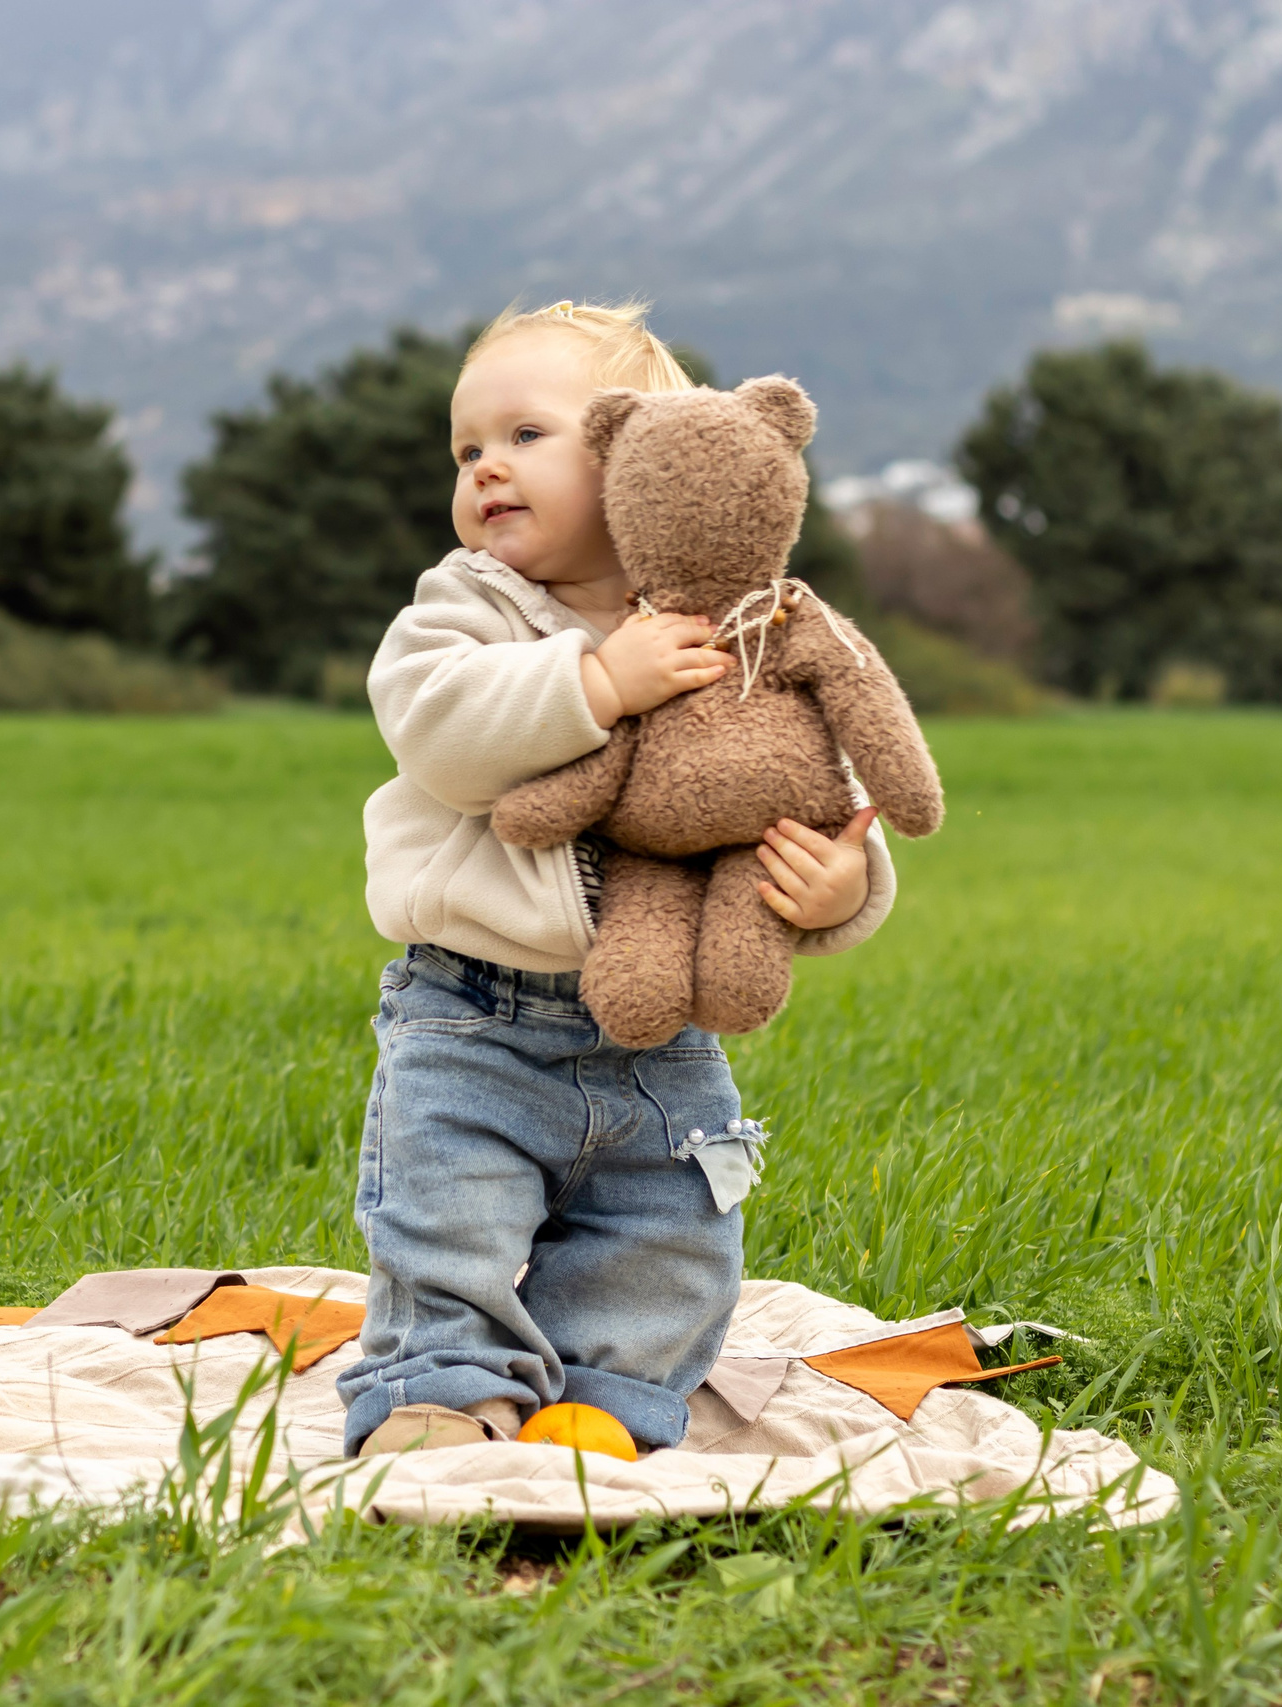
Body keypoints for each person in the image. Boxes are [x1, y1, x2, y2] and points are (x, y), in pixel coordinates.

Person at [339, 301, 893, 1457]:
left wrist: (842, 887)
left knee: (668, 1235)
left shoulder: (733, 623)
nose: (485, 466)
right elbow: (437, 731)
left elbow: (800, 774)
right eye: (465, 449)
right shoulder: (468, 604)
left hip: (664, 1039)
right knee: (449, 1223)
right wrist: (596, 683)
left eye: (525, 437)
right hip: (473, 1013)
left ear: (634, 456)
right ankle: (441, 1389)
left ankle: (603, 1395)